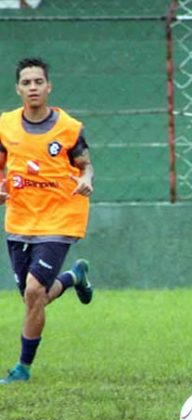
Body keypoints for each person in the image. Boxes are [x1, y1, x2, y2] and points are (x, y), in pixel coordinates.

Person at [0, 57, 94, 385]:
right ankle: (73, 278)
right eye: (26, 83)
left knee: (34, 289)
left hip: (61, 216)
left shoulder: (68, 128)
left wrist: (87, 179)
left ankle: (22, 368)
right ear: (18, 89)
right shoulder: (5, 126)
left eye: (38, 82)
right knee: (32, 297)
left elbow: (85, 165)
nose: (33, 87)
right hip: (21, 218)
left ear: (48, 86)